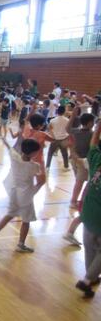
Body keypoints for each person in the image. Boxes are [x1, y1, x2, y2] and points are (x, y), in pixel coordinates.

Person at [0, 138, 45, 253]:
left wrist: (4, 140)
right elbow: (41, 180)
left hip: (13, 192)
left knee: (10, 214)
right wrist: (36, 189)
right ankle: (21, 244)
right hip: (26, 195)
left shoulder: (15, 158)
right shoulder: (34, 166)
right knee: (26, 221)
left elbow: (10, 149)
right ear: (33, 153)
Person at [75, 120, 101, 298]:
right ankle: (87, 279)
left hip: (88, 208)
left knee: (90, 247)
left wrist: (98, 128)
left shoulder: (95, 157)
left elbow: (93, 143)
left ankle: (90, 279)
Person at [45, 105, 70, 171]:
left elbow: (49, 129)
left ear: (57, 111)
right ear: (64, 112)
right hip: (64, 139)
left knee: (50, 153)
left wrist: (53, 136)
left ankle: (47, 167)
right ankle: (66, 167)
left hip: (54, 139)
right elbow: (69, 130)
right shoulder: (67, 120)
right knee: (65, 154)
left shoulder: (52, 120)